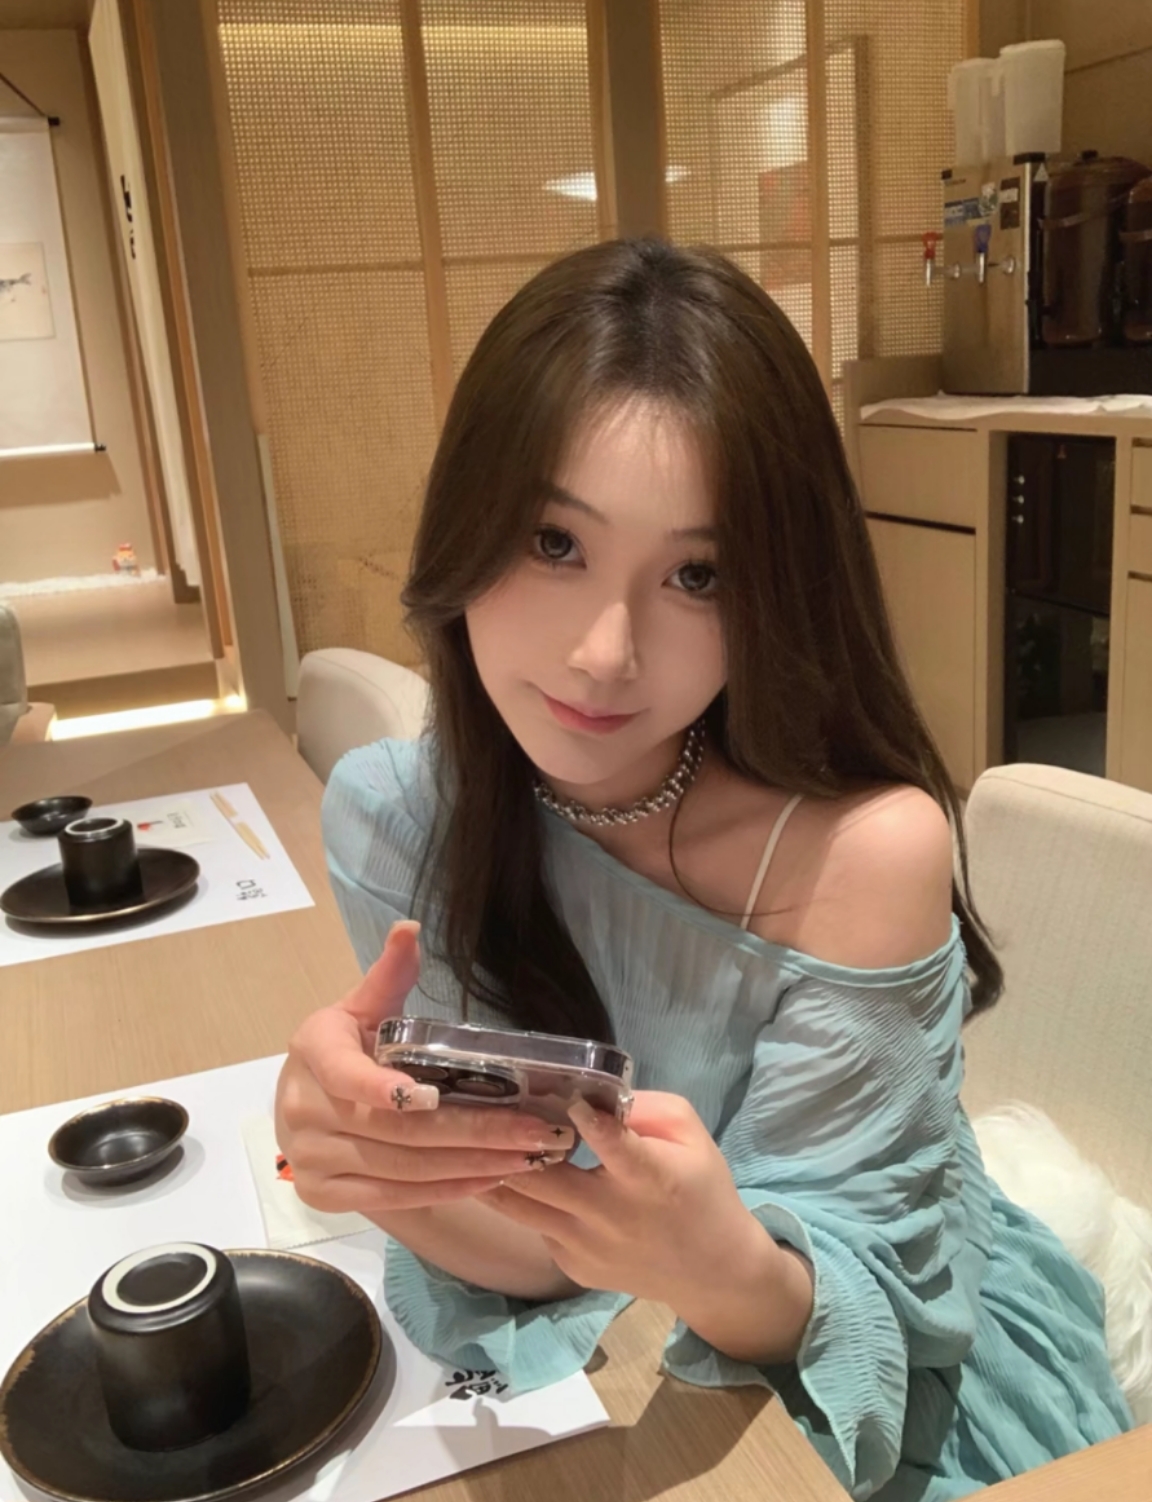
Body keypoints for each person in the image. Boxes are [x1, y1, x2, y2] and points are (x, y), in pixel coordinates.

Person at [275, 239, 1132, 1499]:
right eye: (552, 540)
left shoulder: (858, 851)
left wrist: (707, 1254)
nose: (605, 652)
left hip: (860, 1378)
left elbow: (843, 1305)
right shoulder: (397, 818)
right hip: (608, 1355)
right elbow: (538, 1243)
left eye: (697, 573)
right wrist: (373, 1165)